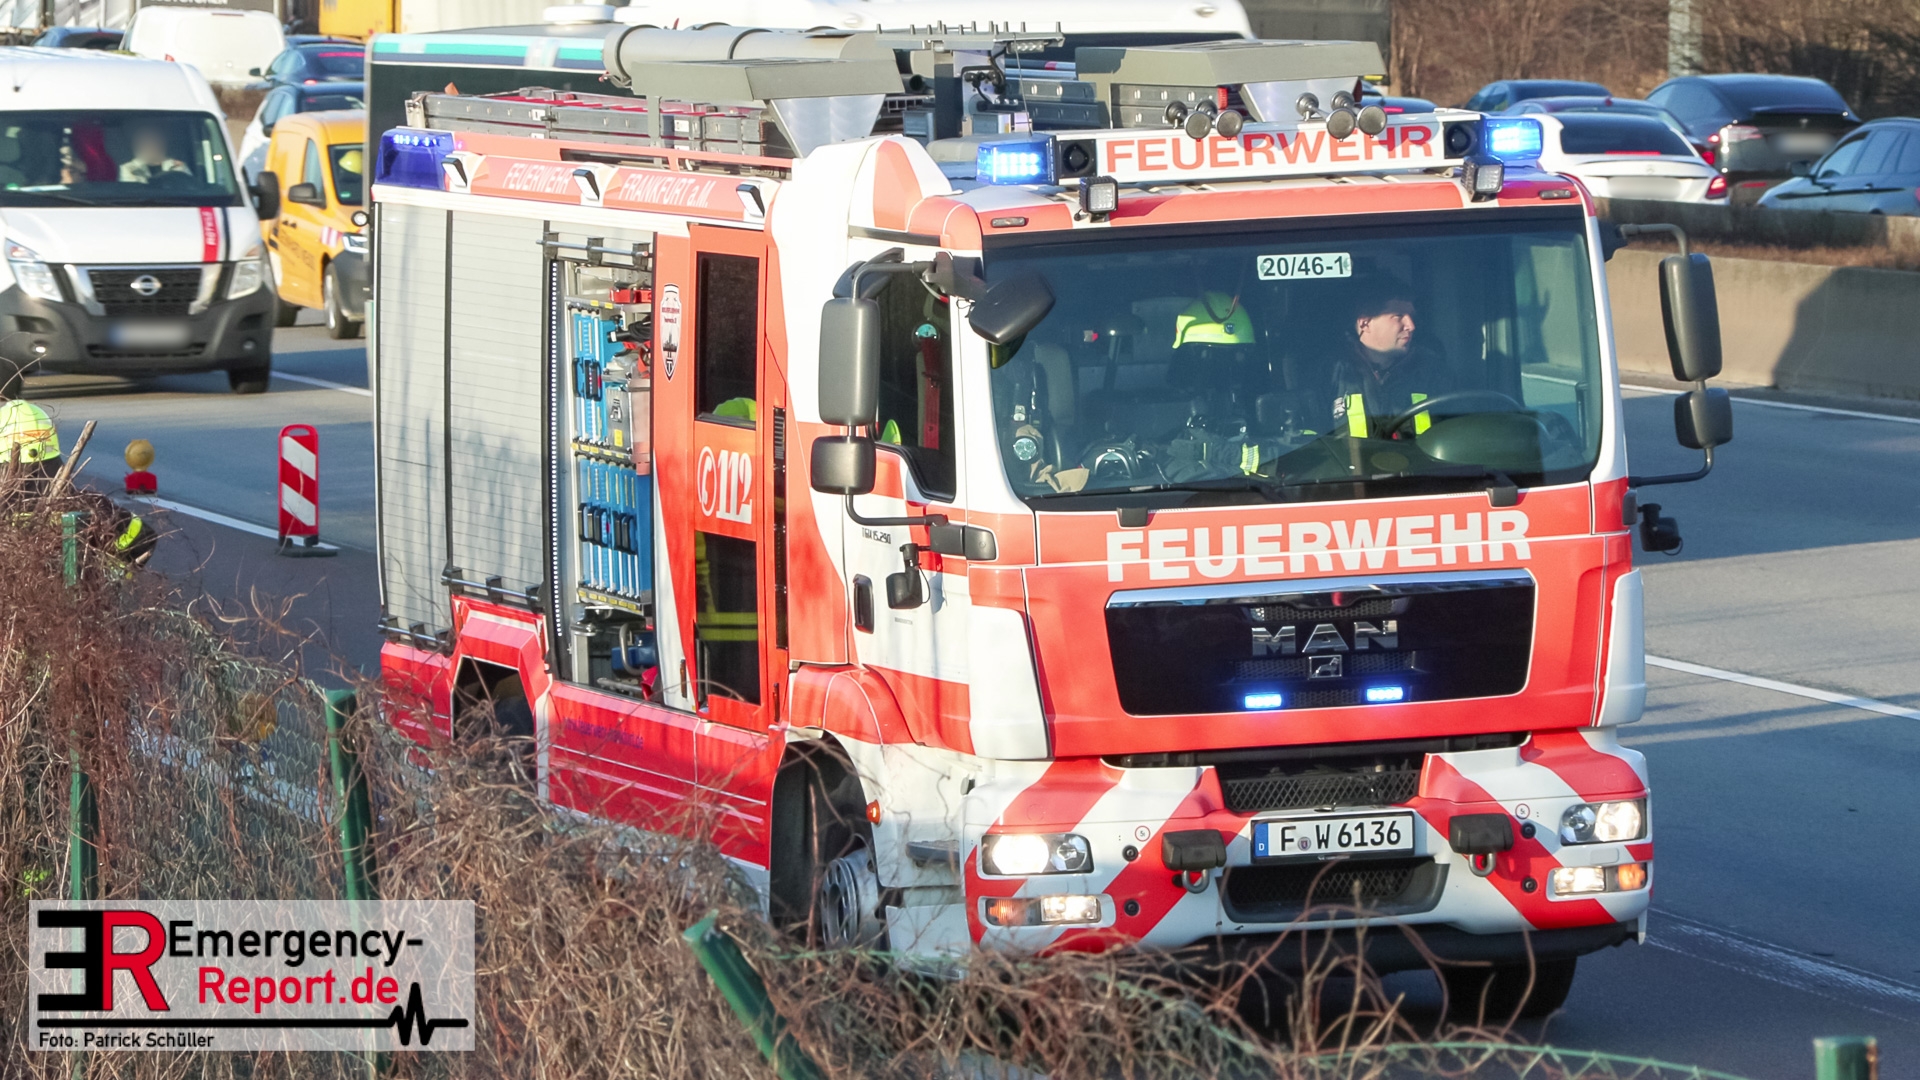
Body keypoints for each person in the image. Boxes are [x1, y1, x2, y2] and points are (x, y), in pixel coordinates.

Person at [1329, 281, 1449, 439]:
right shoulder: (1332, 373)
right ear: (1365, 323)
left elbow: (1455, 433)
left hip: (1418, 456)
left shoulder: (1433, 371)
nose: (1411, 326)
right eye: (1398, 316)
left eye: (1411, 316)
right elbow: (1310, 441)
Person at [118, 124, 188, 184]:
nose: (151, 144)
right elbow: (131, 192)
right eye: (145, 141)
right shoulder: (128, 168)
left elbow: (188, 186)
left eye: (155, 140)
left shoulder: (177, 165)